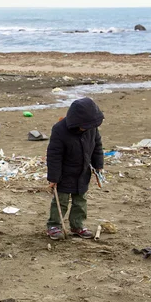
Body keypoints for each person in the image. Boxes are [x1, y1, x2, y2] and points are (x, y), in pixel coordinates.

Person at [46, 97, 104, 240]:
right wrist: (53, 179)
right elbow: (54, 155)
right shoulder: (59, 130)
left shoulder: (91, 129)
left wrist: (98, 166)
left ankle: (77, 226)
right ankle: (54, 225)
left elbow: (97, 147)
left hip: (83, 172)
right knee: (61, 201)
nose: (86, 128)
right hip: (64, 174)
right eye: (84, 125)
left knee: (80, 201)